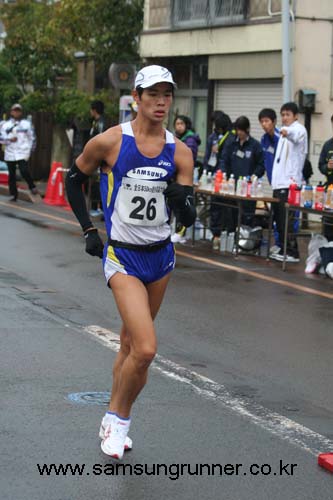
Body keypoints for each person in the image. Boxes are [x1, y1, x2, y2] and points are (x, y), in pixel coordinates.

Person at [65, 65, 196, 460]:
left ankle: (112, 416)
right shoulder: (109, 142)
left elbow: (189, 216)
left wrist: (181, 200)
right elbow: (73, 178)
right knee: (146, 348)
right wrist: (89, 230)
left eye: (167, 95)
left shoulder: (181, 150)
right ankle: (118, 420)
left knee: (128, 345)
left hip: (161, 257)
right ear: (135, 98)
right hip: (122, 255)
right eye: (152, 94)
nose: (160, 102)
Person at [270, 102, 308, 262]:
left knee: (288, 219)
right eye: (283, 115)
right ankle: (285, 248)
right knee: (279, 219)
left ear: (295, 116)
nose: (284, 118)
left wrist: (286, 131)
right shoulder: (282, 136)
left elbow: (294, 134)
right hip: (280, 184)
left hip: (290, 184)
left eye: (288, 115)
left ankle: (293, 252)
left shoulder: (299, 130)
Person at [219, 115, 265, 232]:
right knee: (231, 215)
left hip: (248, 188)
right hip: (232, 187)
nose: (239, 133)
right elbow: (224, 160)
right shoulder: (232, 144)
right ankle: (231, 236)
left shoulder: (255, 145)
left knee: (247, 216)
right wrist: (225, 175)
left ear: (247, 129)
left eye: (241, 130)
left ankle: (245, 241)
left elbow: (261, 164)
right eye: (237, 130)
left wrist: (255, 175)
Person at [172, 114, 201, 244]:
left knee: (183, 204)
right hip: (176, 175)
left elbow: (188, 158)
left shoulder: (190, 139)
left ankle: (181, 232)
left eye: (181, 124)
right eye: (177, 124)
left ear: (186, 125)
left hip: (185, 176)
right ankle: (178, 231)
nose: (179, 127)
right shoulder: (177, 137)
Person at [0, 103, 37, 201]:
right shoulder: (5, 125)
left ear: (21, 112)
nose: (16, 112)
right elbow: (1, 138)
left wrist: (30, 151)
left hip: (22, 152)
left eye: (18, 111)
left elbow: (32, 138)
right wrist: (9, 139)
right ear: (11, 112)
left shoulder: (26, 124)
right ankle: (13, 194)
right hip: (10, 152)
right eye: (14, 110)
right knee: (11, 175)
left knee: (24, 170)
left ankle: (32, 186)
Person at [210, 113, 235, 249]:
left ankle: (225, 234)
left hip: (225, 178)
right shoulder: (215, 136)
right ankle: (216, 234)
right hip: (216, 175)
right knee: (215, 206)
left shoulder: (230, 137)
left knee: (226, 208)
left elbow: (226, 159)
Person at [89, 100, 107, 216]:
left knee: (97, 181)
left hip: (99, 156)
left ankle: (98, 207)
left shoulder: (101, 123)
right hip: (95, 155)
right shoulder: (96, 122)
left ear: (94, 110)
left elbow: (100, 140)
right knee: (95, 181)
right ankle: (95, 206)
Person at [318, 114, 333, 241]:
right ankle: (328, 255)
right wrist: (327, 167)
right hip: (330, 190)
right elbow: (320, 165)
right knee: (328, 224)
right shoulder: (328, 145)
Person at [202, 110, 224, 175]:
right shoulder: (211, 137)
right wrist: (205, 171)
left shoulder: (228, 136)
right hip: (212, 171)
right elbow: (207, 156)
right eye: (214, 122)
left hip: (224, 172)